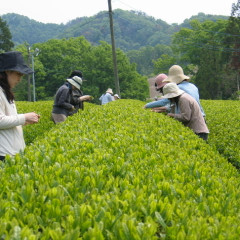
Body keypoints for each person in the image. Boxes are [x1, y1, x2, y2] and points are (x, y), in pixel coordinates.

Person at [0, 51, 40, 160]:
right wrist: (23, 117)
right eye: (18, 74)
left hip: (11, 153)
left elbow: (7, 121)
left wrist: (24, 121)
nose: (20, 79)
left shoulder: (5, 91)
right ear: (7, 71)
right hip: (4, 154)